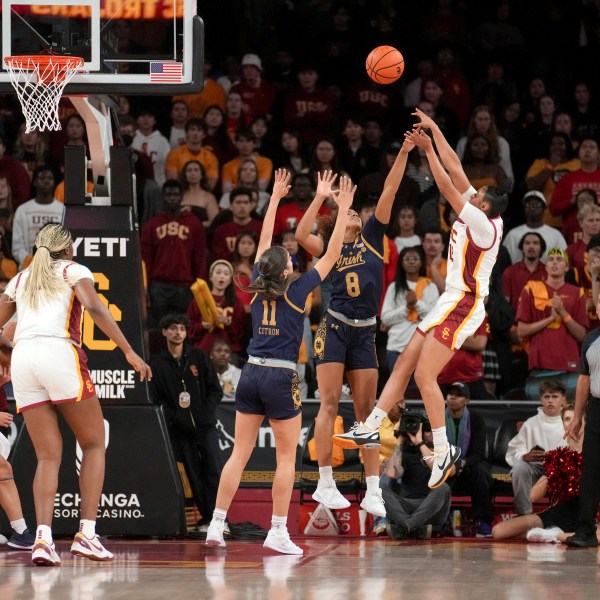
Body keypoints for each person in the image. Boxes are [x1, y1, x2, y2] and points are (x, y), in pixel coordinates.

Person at [333, 108, 509, 491]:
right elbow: (456, 166)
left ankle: (444, 449)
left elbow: (446, 186)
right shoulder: (481, 208)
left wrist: (426, 152)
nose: (471, 192)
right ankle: (371, 426)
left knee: (426, 375)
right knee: (405, 366)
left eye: (477, 195)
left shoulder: (483, 223)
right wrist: (433, 132)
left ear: (486, 207)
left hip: (464, 303)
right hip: (449, 299)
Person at [204, 169, 354, 554]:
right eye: (289, 258)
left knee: (239, 453)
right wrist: (340, 205)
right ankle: (278, 530)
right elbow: (333, 253)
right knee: (286, 456)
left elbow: (265, 241)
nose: (292, 257)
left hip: (250, 371)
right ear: (286, 270)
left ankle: (216, 526)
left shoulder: (257, 278)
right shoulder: (297, 287)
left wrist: (274, 199)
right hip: (281, 376)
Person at [0, 224, 151, 566]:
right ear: (68, 249)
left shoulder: (21, 278)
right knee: (94, 443)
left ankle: (42, 539)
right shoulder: (73, 270)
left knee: (48, 457)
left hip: (24, 358)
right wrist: (128, 351)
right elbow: (95, 308)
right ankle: (86, 534)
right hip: (59, 352)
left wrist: (10, 353)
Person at [295, 135, 414, 518]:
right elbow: (300, 236)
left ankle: (374, 491)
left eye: (355, 212)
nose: (354, 214)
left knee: (367, 415)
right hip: (333, 328)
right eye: (347, 212)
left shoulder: (375, 237)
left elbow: (391, 189)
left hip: (365, 332)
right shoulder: (330, 246)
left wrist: (405, 152)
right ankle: (325, 483)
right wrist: (321, 197)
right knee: (328, 403)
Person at [150, 314, 223, 531]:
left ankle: (220, 519)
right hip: (180, 432)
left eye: (182, 329)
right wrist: (177, 419)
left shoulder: (199, 357)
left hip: (206, 427)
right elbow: (158, 400)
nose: (178, 333)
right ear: (164, 332)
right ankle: (207, 519)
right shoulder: (157, 365)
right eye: (173, 328)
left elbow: (215, 390)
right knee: (193, 475)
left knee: (214, 470)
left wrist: (204, 413)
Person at [516, 248, 588, 400]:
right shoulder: (531, 289)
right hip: (540, 365)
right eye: (551, 259)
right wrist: (549, 319)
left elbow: (582, 335)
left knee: (569, 413)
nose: (555, 262)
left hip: (570, 365)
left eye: (559, 259)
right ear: (546, 266)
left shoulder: (578, 293)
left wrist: (563, 313)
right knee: (539, 412)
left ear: (567, 267)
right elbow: (521, 331)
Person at [141, 180, 207, 326]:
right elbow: (146, 259)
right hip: (158, 286)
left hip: (185, 286)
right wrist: (146, 287)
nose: (172, 198)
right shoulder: (152, 224)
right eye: (168, 194)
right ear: (163, 196)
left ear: (182, 196)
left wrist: (199, 286)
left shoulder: (194, 223)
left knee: (183, 328)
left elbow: (200, 257)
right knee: (159, 328)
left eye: (176, 194)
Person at [563, 297, 600, 547]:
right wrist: (577, 417)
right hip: (596, 408)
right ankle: (585, 531)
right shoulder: (590, 339)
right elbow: (584, 381)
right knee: (591, 472)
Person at [382, 412, 452, 540]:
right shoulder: (406, 452)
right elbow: (392, 474)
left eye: (434, 430)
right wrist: (399, 442)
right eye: (427, 430)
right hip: (406, 507)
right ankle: (412, 526)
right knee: (379, 486)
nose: (431, 433)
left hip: (431, 509)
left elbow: (441, 471)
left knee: (443, 487)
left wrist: (420, 443)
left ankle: (406, 526)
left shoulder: (446, 451)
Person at [505, 379, 567, 516]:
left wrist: (555, 458)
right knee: (520, 467)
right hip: (535, 466)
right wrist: (525, 456)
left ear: (563, 400)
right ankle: (524, 514)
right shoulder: (531, 423)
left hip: (561, 466)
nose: (550, 401)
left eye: (555, 396)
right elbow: (514, 449)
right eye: (546, 397)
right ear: (541, 400)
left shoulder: (570, 420)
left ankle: (566, 515)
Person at [443, 382, 494, 536]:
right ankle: (440, 521)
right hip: (444, 462)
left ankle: (483, 522)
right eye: (450, 394)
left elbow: (479, 453)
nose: (453, 397)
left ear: (467, 401)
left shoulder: (476, 420)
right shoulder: (436, 417)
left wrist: (462, 463)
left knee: (481, 471)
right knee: (432, 471)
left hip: (468, 464)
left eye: (458, 395)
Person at [380, 245, 439, 375]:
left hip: (422, 348)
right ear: (401, 263)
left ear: (421, 262)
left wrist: (416, 303)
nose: (411, 261)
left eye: (415, 258)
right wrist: (407, 307)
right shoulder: (394, 287)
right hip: (396, 347)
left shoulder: (431, 287)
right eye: (407, 259)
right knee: (398, 391)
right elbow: (385, 318)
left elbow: (435, 318)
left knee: (417, 391)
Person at [11, 167, 64, 269]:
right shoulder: (23, 210)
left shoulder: (63, 209)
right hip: (29, 268)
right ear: (34, 182)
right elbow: (17, 247)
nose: (46, 181)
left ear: (54, 182)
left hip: (57, 268)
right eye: (42, 178)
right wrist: (31, 260)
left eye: (50, 178)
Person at [502, 190, 567, 264]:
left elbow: (563, 261)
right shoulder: (513, 234)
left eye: (536, 205)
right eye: (528, 205)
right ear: (524, 209)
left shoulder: (555, 235)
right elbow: (504, 261)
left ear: (544, 208)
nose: (532, 208)